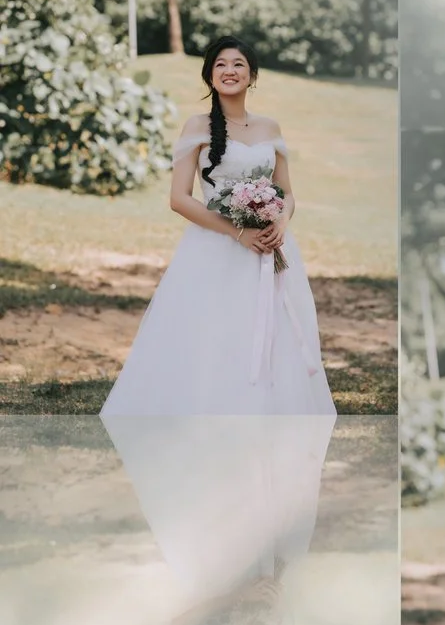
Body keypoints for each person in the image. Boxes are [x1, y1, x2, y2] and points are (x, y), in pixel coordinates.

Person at [102, 37, 331, 415]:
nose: (230, 71)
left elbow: (288, 193)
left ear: (252, 75)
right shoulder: (197, 125)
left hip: (271, 245)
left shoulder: (270, 127)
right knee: (215, 332)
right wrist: (238, 233)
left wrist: (281, 221)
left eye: (238, 64)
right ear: (210, 75)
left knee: (273, 333)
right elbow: (179, 198)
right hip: (216, 247)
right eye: (221, 64)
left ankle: (265, 413)